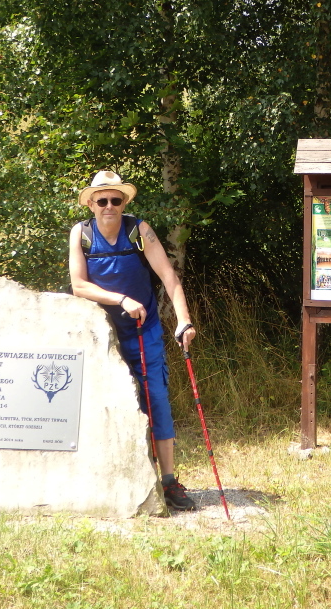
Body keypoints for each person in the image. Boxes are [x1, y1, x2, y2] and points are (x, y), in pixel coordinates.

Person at [68, 170, 199, 511]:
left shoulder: (138, 230)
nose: (109, 206)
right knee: (101, 402)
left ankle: (168, 481)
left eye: (115, 199)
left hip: (145, 330)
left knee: (156, 398)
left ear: (124, 202)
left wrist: (184, 320)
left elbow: (168, 276)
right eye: (102, 200)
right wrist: (121, 299)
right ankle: (110, 476)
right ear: (91, 204)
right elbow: (78, 286)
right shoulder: (81, 234)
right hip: (102, 334)